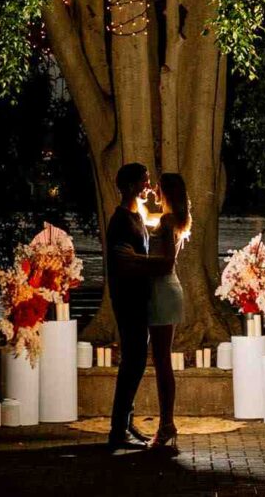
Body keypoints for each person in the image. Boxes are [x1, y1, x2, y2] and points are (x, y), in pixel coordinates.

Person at [103, 160, 172, 452]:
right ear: (131, 185)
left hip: (139, 298)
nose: (148, 185)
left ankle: (126, 423)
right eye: (144, 181)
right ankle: (118, 429)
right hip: (127, 299)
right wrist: (161, 265)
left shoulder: (137, 216)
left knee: (136, 362)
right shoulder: (120, 220)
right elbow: (125, 261)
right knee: (132, 362)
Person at [145, 172, 193, 453]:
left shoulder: (167, 221)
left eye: (158, 187)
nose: (154, 190)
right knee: (160, 360)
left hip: (162, 290)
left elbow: (165, 262)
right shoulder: (171, 219)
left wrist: (135, 262)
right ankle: (166, 423)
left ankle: (166, 424)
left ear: (166, 191)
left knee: (161, 361)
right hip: (164, 290)